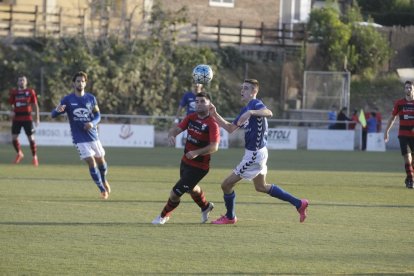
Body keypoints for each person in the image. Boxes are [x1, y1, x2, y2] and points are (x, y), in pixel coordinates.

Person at [209, 79, 309, 225]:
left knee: (226, 185)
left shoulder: (255, 105)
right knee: (261, 187)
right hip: (258, 153)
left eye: (246, 88)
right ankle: (299, 203)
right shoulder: (245, 110)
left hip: (254, 154)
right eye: (242, 88)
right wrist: (214, 114)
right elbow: (230, 128)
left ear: (254, 92)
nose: (242, 91)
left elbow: (269, 112)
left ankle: (230, 217)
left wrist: (251, 112)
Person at [152, 92, 220, 224]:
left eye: (202, 101)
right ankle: (206, 207)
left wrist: (197, 152)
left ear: (210, 105)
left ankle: (163, 216)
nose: (198, 104)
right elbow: (176, 129)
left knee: (175, 193)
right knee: (191, 188)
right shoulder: (191, 117)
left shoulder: (212, 123)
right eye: (197, 101)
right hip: (185, 161)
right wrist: (172, 135)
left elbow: (214, 146)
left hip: (200, 167)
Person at [51, 71, 111, 199]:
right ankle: (101, 189)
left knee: (101, 159)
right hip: (79, 137)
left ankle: (104, 179)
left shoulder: (91, 98)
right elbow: (53, 115)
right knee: (91, 160)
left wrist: (92, 123)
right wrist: (57, 111)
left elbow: (98, 115)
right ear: (74, 83)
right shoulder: (67, 99)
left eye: (82, 81)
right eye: (78, 81)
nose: (80, 83)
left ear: (85, 83)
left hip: (93, 135)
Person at [384, 80, 414, 189]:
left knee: (412, 162)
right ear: (404, 89)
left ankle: (409, 177)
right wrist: (386, 131)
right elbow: (392, 118)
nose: (408, 89)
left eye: (410, 87)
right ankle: (411, 180)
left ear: (413, 89)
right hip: (403, 135)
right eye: (407, 87)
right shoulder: (399, 103)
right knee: (407, 157)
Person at [8, 75, 40, 166]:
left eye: (23, 80)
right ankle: (19, 153)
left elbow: (35, 105)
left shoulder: (30, 92)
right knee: (14, 138)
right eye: (20, 80)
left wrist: (37, 118)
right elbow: (11, 104)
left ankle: (34, 157)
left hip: (27, 118)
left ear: (26, 82)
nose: (21, 82)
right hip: (17, 118)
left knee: (31, 138)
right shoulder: (14, 92)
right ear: (17, 82)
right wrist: (11, 111)